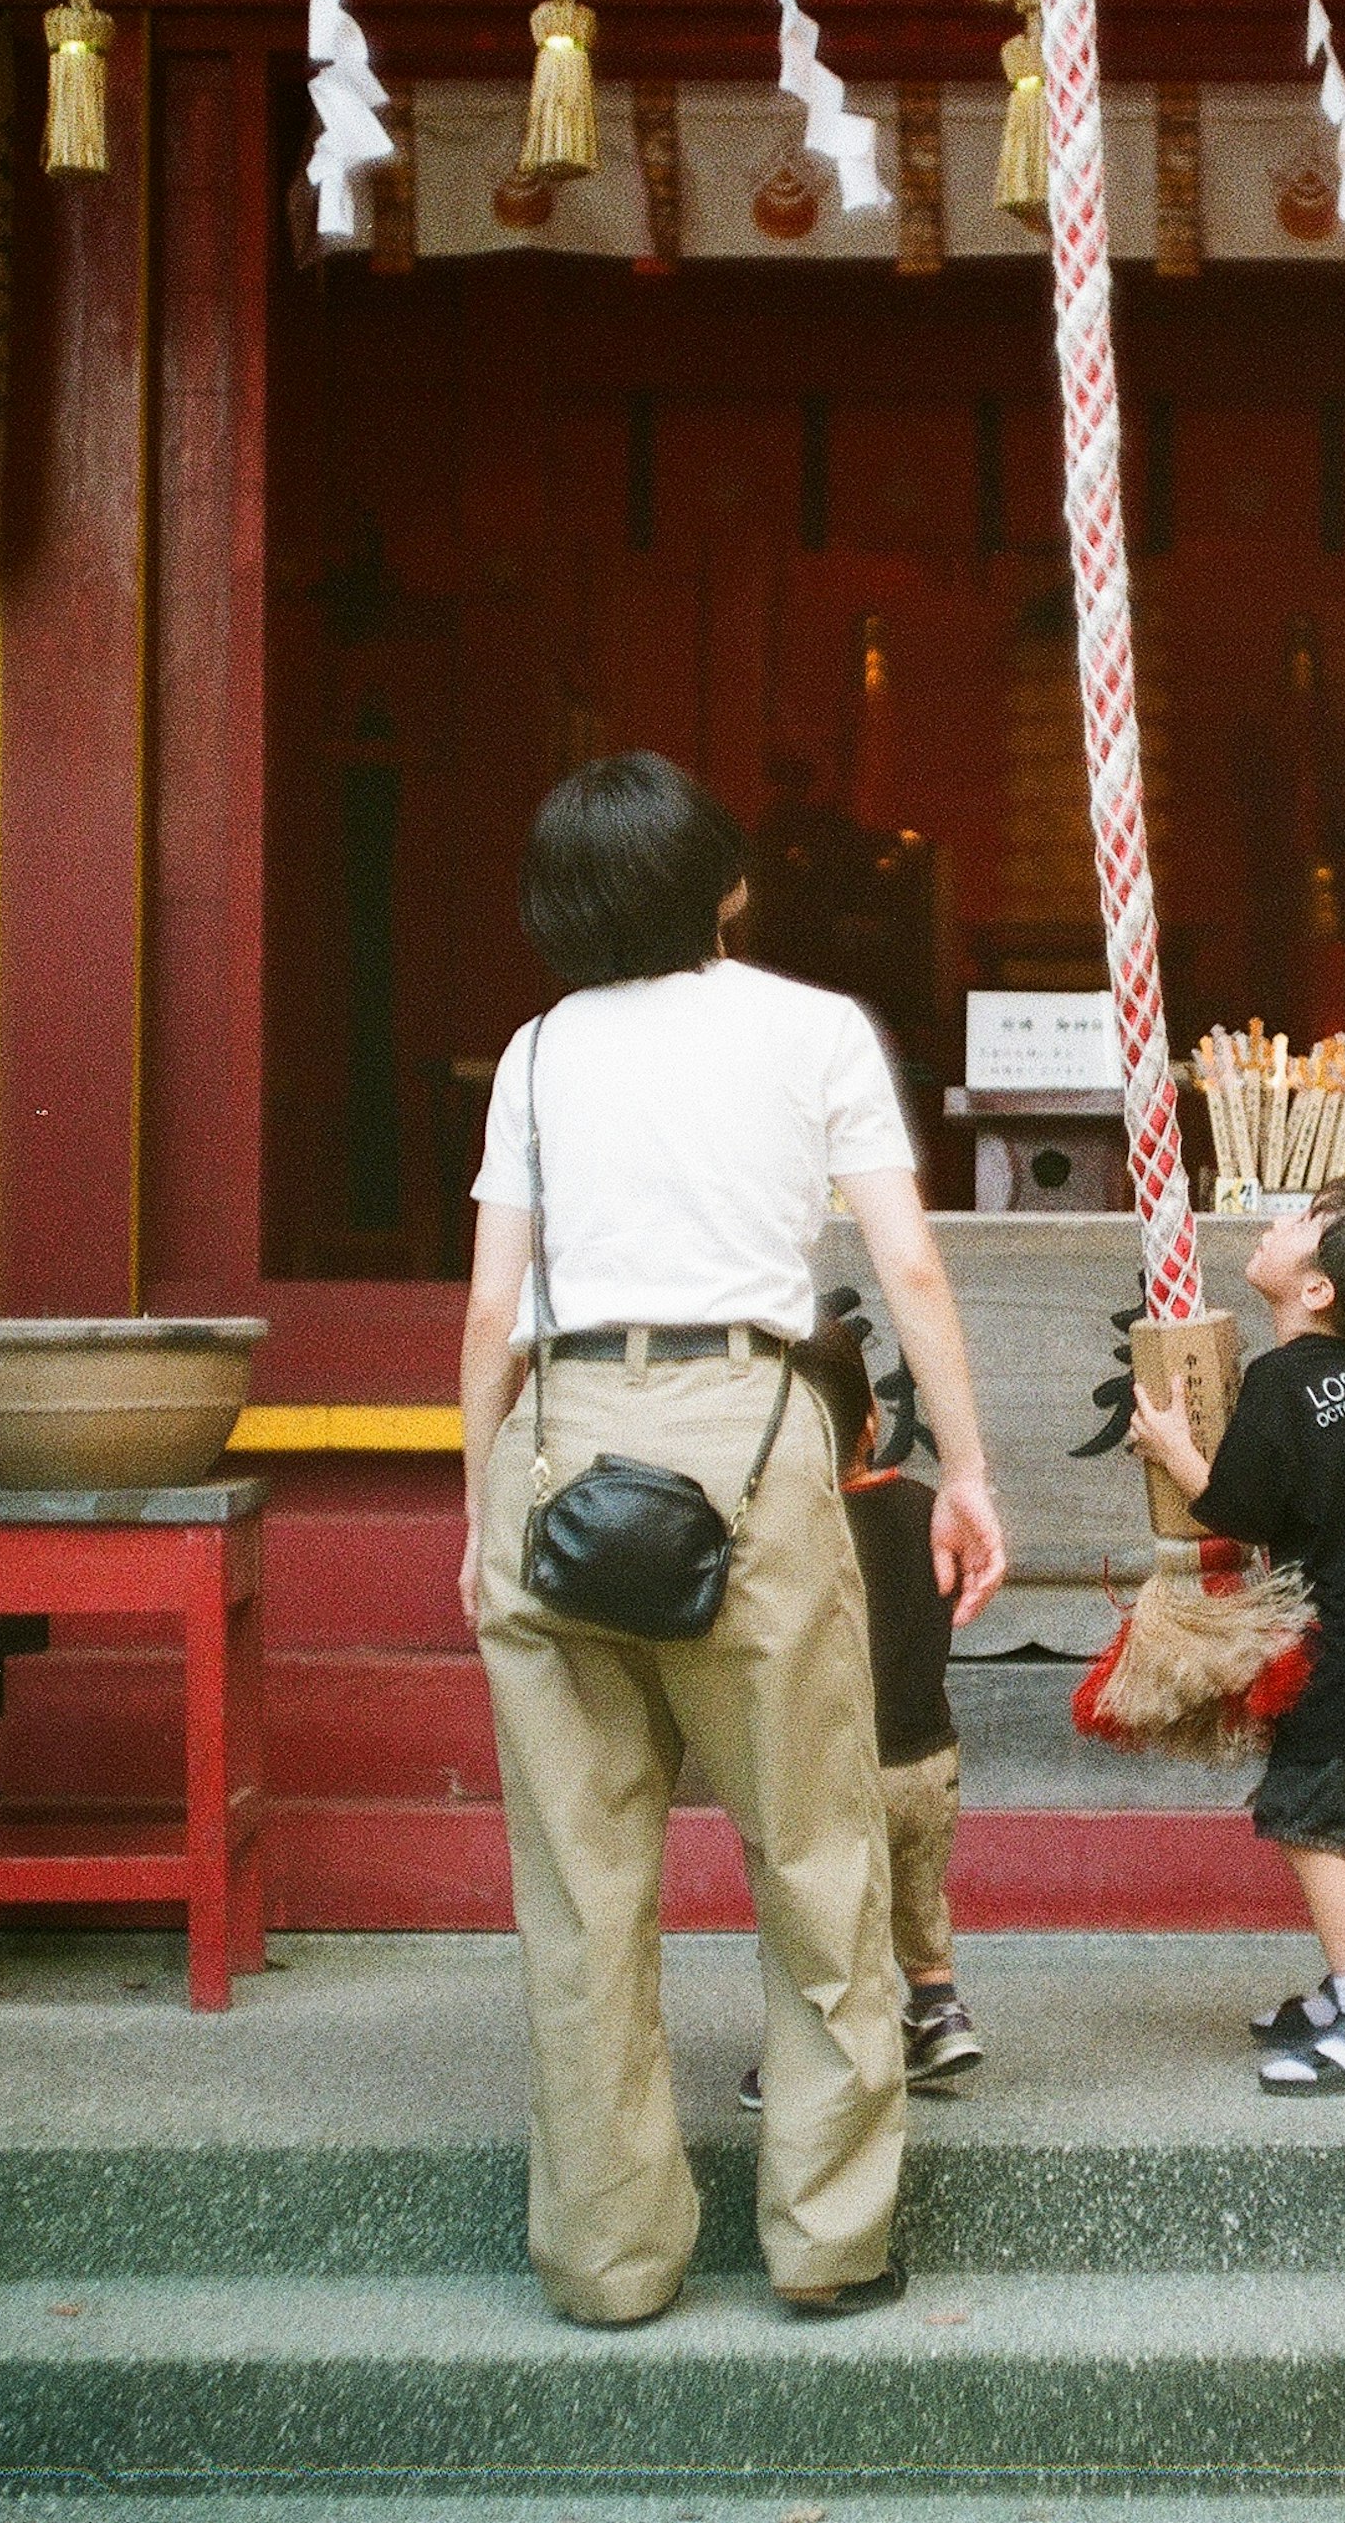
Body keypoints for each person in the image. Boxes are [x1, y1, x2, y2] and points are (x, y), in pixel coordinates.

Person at [458, 750, 1007, 2326]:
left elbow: (496, 1308)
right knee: (817, 1856)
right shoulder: (811, 1027)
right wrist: (965, 1466)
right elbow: (906, 1268)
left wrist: (475, 1506)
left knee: (580, 1890)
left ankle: (609, 2260)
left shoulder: (541, 1048)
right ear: (730, 885)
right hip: (753, 1439)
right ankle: (829, 2243)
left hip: (558, 1444)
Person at [1125, 1175, 1345, 2095]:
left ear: (1316, 1290)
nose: (1279, 1224)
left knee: (1314, 1823)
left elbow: (1236, 1507)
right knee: (1336, 1823)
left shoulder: (1284, 1379)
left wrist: (1172, 1447)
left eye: (1303, 1223)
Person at [738, 1318, 983, 2115]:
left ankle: (815, 2052)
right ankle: (940, 2013)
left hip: (840, 1766)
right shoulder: (926, 1508)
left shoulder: (792, 1530)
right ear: (873, 1422)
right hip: (930, 1760)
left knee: (827, 1908)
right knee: (918, 1896)